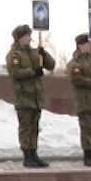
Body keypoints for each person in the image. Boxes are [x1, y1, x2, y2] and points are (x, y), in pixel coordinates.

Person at [6, 24, 55, 167]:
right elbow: (15, 73)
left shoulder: (35, 53)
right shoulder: (14, 54)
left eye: (29, 35)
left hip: (36, 96)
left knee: (34, 127)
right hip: (24, 96)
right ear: (19, 38)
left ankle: (34, 153)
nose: (29, 38)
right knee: (26, 127)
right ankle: (27, 154)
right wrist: (33, 71)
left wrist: (44, 54)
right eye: (26, 36)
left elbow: (51, 65)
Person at [67, 34, 91, 167]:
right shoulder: (75, 63)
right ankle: (87, 155)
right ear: (80, 45)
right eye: (88, 44)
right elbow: (77, 79)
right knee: (87, 130)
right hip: (85, 102)